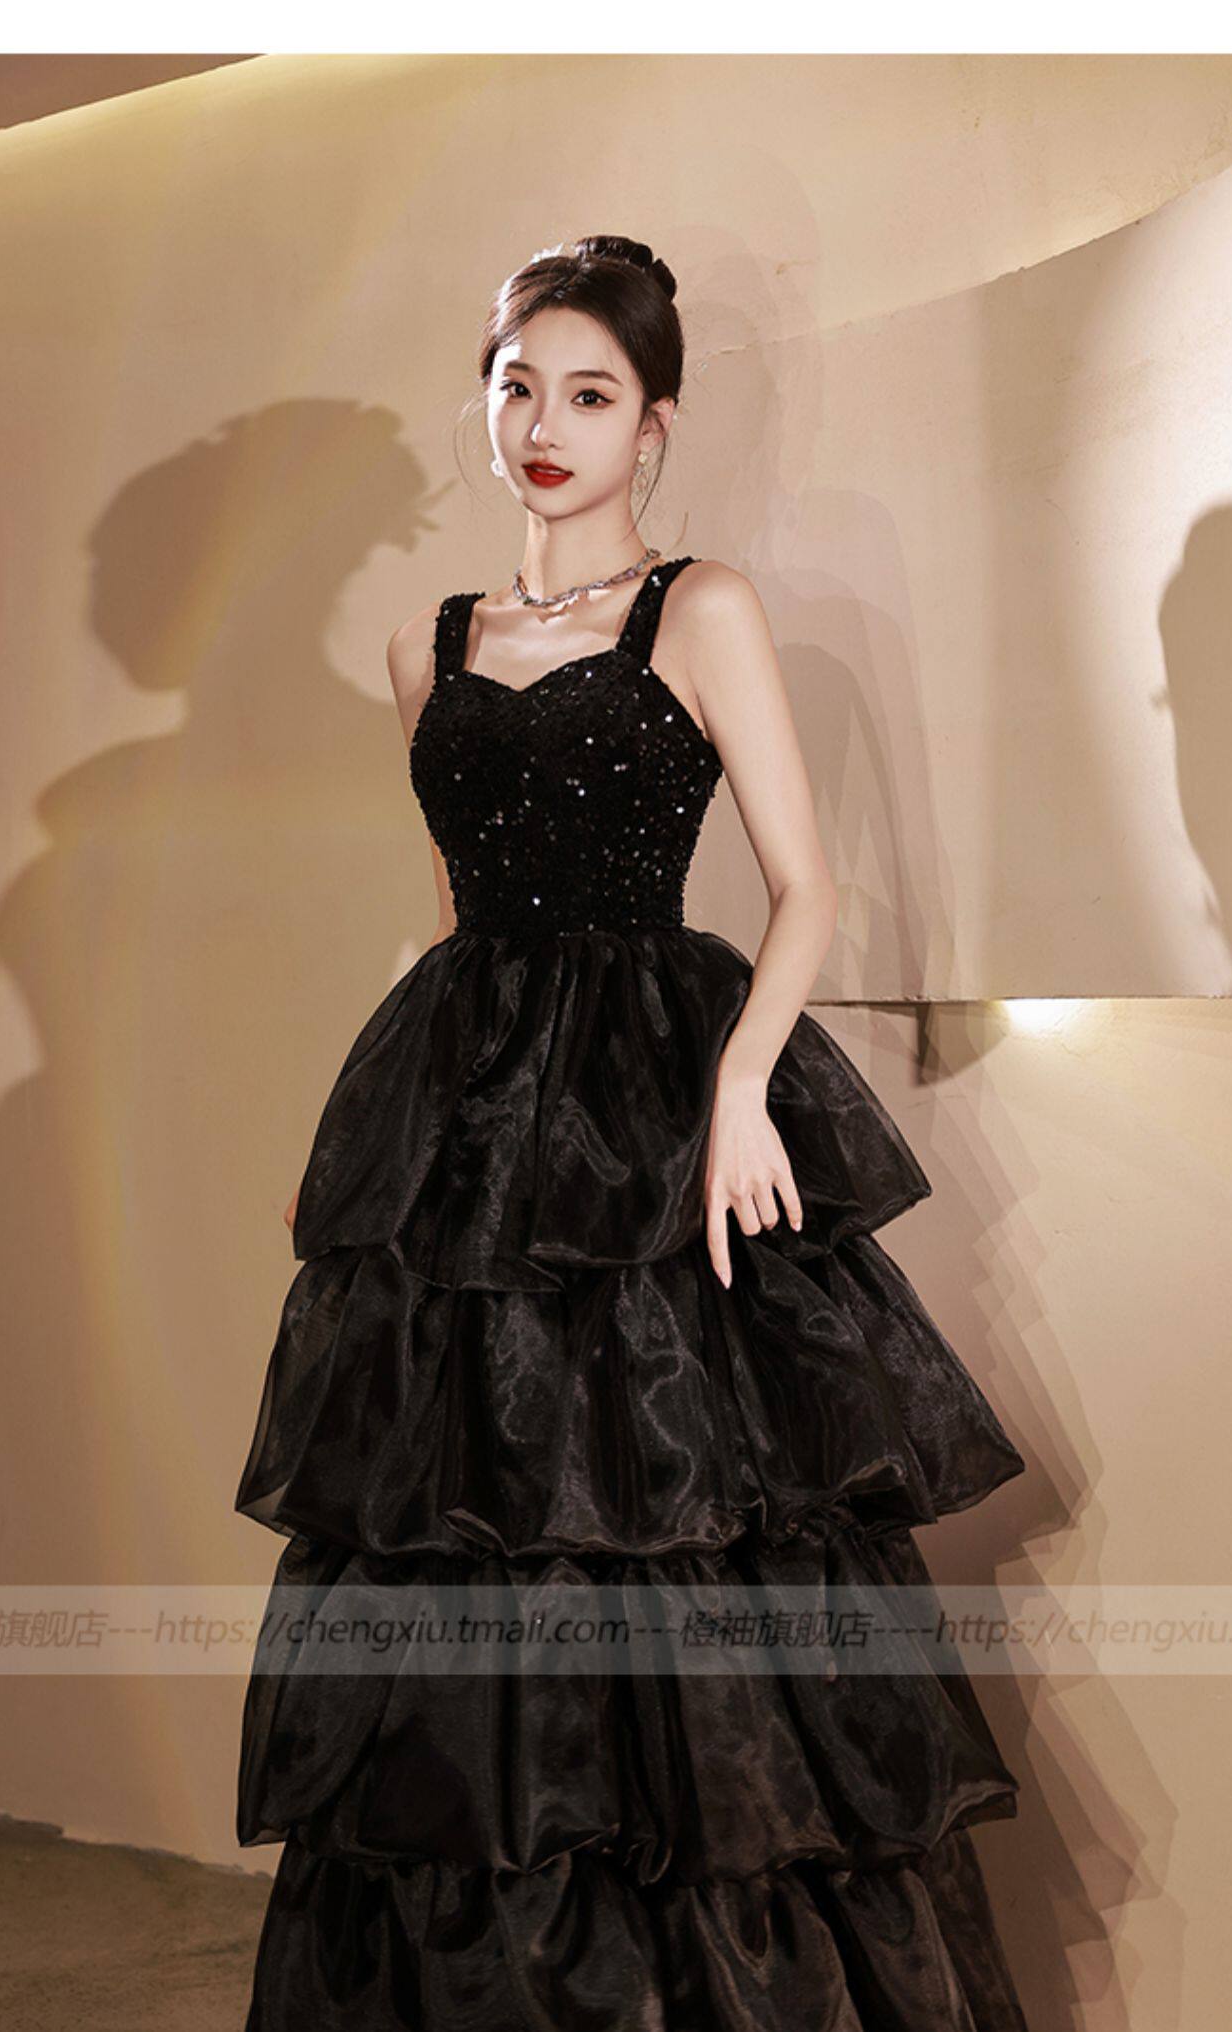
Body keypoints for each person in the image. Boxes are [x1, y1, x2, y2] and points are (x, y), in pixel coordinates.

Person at [234, 234, 1031, 2028]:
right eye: (518, 385)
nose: (545, 422)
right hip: (469, 1114)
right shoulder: (424, 645)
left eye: (589, 393)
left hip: (662, 1095)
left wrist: (741, 1088)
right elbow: (456, 913)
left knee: (685, 1521)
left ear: (652, 425)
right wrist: (385, 1140)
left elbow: (808, 888)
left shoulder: (702, 609)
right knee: (470, 1528)